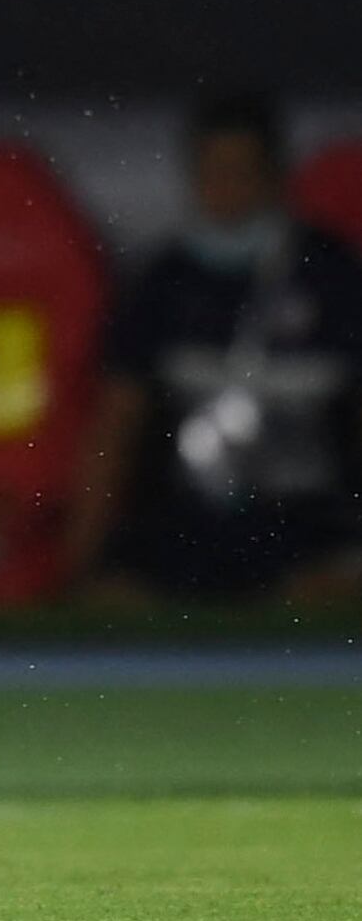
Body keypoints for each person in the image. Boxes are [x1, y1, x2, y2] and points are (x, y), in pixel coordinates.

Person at [68, 94, 362, 601]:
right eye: (212, 173)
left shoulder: (333, 276)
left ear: (275, 176)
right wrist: (76, 559)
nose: (226, 191)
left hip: (307, 520)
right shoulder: (163, 283)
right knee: (117, 597)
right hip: (190, 519)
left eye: (241, 173)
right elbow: (117, 423)